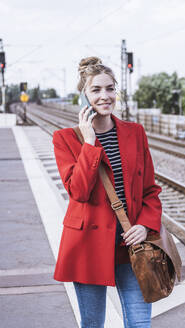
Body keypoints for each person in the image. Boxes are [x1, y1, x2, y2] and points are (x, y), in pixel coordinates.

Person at [52, 56, 162, 328]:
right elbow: (78, 191)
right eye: (96, 90)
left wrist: (145, 225)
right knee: (92, 325)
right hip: (87, 245)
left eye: (110, 88)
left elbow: (150, 190)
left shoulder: (135, 133)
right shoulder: (66, 139)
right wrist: (89, 143)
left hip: (131, 245)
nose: (105, 96)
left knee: (139, 324)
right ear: (84, 96)